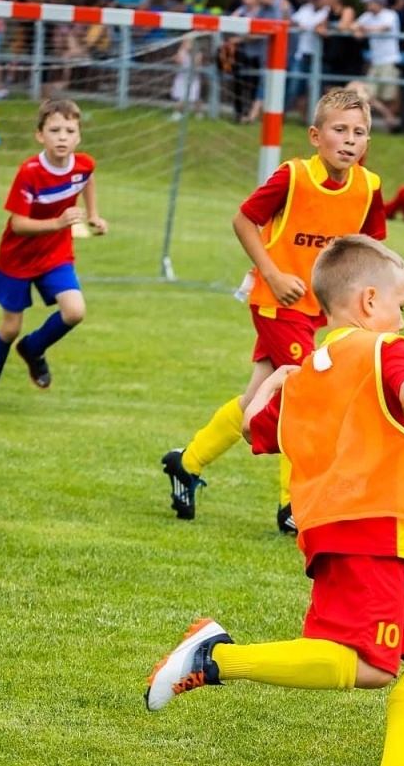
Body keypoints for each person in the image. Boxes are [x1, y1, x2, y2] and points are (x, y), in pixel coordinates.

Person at [147, 236, 404, 766]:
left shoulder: (308, 372)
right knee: (372, 667)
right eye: (402, 304)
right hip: (371, 528)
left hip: (337, 530)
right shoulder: (382, 348)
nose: (402, 317)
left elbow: (252, 430)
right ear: (370, 301)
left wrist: (274, 382)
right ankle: (216, 658)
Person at [162, 88, 386, 534]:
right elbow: (244, 219)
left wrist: (370, 300)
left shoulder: (368, 187)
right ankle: (293, 507)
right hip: (275, 302)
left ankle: (185, 463)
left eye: (358, 133)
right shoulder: (293, 176)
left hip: (318, 310)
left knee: (256, 399)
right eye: (339, 130)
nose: (349, 140)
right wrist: (274, 273)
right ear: (315, 136)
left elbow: (370, 249)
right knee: (306, 391)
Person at [0, 99, 106, 407]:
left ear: (79, 137)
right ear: (39, 135)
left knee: (75, 311)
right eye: (54, 130)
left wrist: (94, 214)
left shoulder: (83, 163)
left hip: (55, 255)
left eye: (69, 130)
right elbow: (18, 224)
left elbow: (87, 178)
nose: (62, 137)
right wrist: (58, 222)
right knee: (10, 327)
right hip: (17, 258)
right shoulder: (30, 171)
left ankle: (33, 349)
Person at [355, 0, 402, 130]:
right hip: (375, 60)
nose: (367, 5)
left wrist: (363, 29)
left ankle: (390, 125)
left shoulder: (390, 15)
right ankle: (388, 118)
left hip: (390, 59)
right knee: (367, 94)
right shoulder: (367, 16)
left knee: (390, 95)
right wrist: (358, 30)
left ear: (379, 3)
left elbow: (384, 28)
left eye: (370, 2)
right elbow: (354, 26)